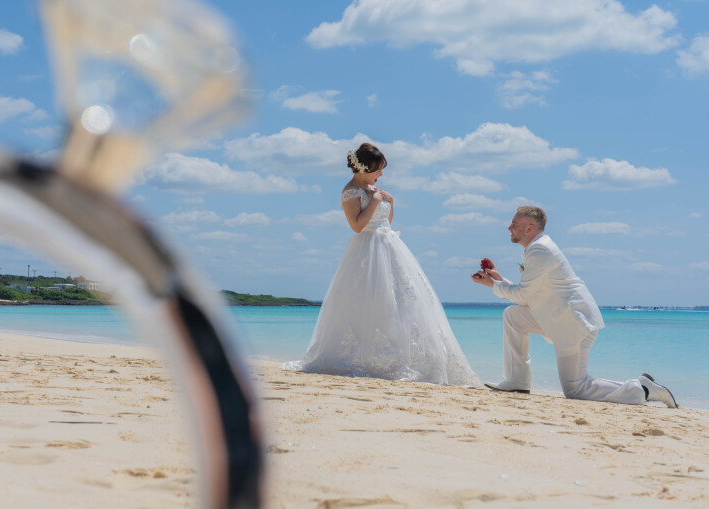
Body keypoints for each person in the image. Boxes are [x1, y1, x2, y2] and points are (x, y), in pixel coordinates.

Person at [286, 143, 480, 386]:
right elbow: (357, 226)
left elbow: (385, 222)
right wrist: (376, 201)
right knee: (373, 301)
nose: (381, 175)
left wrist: (390, 202)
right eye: (378, 169)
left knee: (403, 302)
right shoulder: (350, 192)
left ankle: (406, 356)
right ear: (364, 168)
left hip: (391, 248)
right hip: (367, 251)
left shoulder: (373, 189)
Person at [471, 206, 677, 407]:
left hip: (573, 324)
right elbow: (528, 297)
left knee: (576, 390)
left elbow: (524, 294)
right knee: (513, 316)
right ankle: (517, 381)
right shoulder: (536, 248)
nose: (509, 227)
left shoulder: (540, 250)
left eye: (514, 224)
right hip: (557, 320)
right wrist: (497, 279)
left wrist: (493, 284)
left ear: (529, 228)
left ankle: (643, 389)